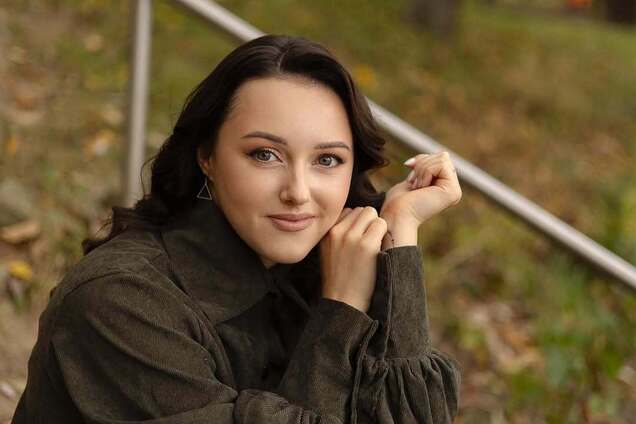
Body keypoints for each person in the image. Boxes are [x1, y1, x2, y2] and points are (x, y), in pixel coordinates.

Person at [12, 34, 463, 423]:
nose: (298, 192)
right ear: (206, 156)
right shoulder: (121, 301)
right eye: (265, 154)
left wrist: (399, 233)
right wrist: (341, 312)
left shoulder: (324, 263)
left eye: (327, 160)